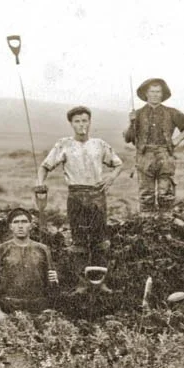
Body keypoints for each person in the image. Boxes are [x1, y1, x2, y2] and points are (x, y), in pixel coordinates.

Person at [36, 106, 123, 295]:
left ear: (90, 122)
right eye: (77, 121)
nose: (81, 125)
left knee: (100, 241)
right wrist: (40, 183)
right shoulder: (64, 145)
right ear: (71, 124)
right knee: (79, 241)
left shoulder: (99, 144)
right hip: (76, 195)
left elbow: (118, 164)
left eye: (84, 120)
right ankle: (82, 283)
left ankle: (101, 282)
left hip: (97, 195)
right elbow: (44, 166)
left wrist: (111, 177)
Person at [123, 78, 184, 215]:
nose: (155, 95)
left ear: (162, 94)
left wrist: (178, 139)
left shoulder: (171, 112)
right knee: (146, 195)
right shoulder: (137, 114)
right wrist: (131, 122)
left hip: (165, 156)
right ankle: (147, 225)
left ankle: (166, 224)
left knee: (166, 194)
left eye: (158, 92)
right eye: (152, 92)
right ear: (146, 94)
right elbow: (128, 138)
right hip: (144, 156)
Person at [0, 208, 58, 322]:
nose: (20, 226)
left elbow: (51, 283)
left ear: (31, 225)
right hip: (8, 309)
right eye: (16, 222)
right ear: (10, 226)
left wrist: (55, 281)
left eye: (24, 222)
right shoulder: (1, 249)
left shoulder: (43, 249)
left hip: (37, 310)